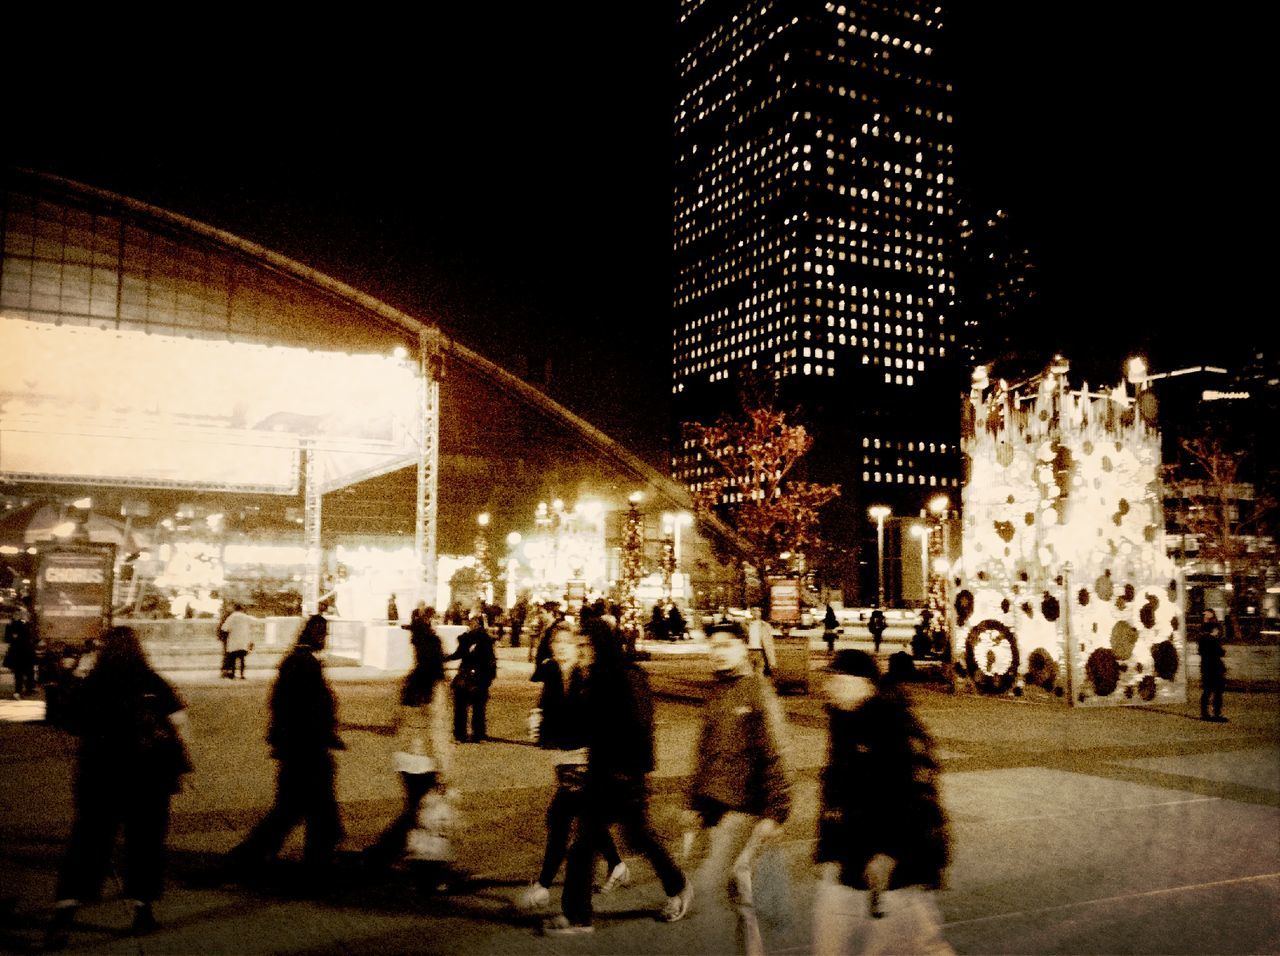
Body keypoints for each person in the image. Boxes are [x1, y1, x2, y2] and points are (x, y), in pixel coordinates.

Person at [44, 626, 193, 948]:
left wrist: (73, 677)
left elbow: (66, 722)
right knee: (145, 842)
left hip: (99, 776)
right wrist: (181, 758)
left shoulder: (93, 684)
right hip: (147, 777)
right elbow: (181, 723)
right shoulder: (151, 681)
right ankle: (142, 911)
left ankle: (65, 912)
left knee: (88, 842)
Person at [544, 618, 690, 936]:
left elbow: (641, 727)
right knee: (583, 845)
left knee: (639, 838)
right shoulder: (587, 679)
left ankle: (678, 886)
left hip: (625, 775)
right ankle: (578, 917)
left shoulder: (627, 677)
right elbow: (575, 731)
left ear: (601, 646)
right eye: (578, 646)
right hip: (598, 774)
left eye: (586, 646)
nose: (581, 652)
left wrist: (630, 770)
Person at [812, 650, 951, 956]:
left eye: (838, 679)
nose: (829, 686)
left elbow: (917, 795)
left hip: (897, 866)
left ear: (865, 684)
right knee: (835, 943)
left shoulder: (895, 724)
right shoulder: (843, 721)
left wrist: (890, 852)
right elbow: (837, 788)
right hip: (853, 857)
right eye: (829, 679)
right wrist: (828, 849)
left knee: (916, 943)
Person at [684, 622, 792, 956]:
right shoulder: (718, 692)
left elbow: (776, 751)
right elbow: (705, 752)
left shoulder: (758, 691)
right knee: (733, 894)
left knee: (717, 890)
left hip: (746, 809)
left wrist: (776, 811)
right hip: (717, 808)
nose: (718, 653)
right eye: (713, 646)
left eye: (727, 645)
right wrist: (691, 802)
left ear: (745, 648)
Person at [228, 615, 345, 883]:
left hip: (297, 746)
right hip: (306, 748)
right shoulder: (305, 664)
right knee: (312, 808)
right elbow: (309, 707)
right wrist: (324, 732)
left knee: (294, 807)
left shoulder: (295, 661)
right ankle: (314, 863)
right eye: (322, 633)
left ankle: (258, 852)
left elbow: (281, 703)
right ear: (316, 635)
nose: (324, 638)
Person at [519, 624, 629, 910]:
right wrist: (537, 723)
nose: (561, 646)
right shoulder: (554, 674)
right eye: (556, 641)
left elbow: (597, 718)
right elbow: (544, 709)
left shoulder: (586, 676)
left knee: (559, 820)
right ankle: (616, 864)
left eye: (567, 642)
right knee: (586, 820)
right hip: (564, 758)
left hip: (587, 760)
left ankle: (543, 886)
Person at [365, 606, 452, 868]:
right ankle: (389, 854)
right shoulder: (436, 688)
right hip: (424, 759)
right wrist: (445, 769)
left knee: (414, 809)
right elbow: (437, 732)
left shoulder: (410, 682)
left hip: (404, 758)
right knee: (418, 812)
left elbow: (395, 720)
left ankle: (392, 852)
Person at [447, 614, 497, 742]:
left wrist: (445, 658)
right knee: (478, 707)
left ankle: (461, 734)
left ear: (477, 624)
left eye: (472, 622)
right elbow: (491, 660)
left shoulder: (470, 639)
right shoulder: (484, 639)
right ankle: (478, 734)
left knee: (462, 706)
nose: (470, 624)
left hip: (468, 675)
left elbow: (460, 654)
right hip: (480, 676)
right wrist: (490, 676)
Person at [1199, 609, 1227, 722]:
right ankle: (1216, 713)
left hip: (1206, 667)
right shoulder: (1212, 640)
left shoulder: (1202, 638)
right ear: (1214, 630)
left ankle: (1205, 713)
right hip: (1214, 667)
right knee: (1217, 691)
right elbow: (1221, 652)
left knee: (1207, 691)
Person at [4, 605, 38, 698]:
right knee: (21, 672)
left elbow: (29, 637)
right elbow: (8, 638)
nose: (17, 615)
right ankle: (21, 690)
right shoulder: (15, 625)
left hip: (23, 651)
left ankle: (27, 688)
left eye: (19, 613)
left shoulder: (25, 624)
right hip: (20, 652)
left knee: (25, 671)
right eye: (15, 614)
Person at [220, 604, 255, 679]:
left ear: (235, 609)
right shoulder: (245, 617)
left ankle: (233, 674)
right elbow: (254, 621)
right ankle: (242, 675)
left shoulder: (231, 617)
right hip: (243, 641)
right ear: (241, 609)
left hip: (233, 641)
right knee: (242, 659)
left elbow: (224, 628)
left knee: (233, 659)